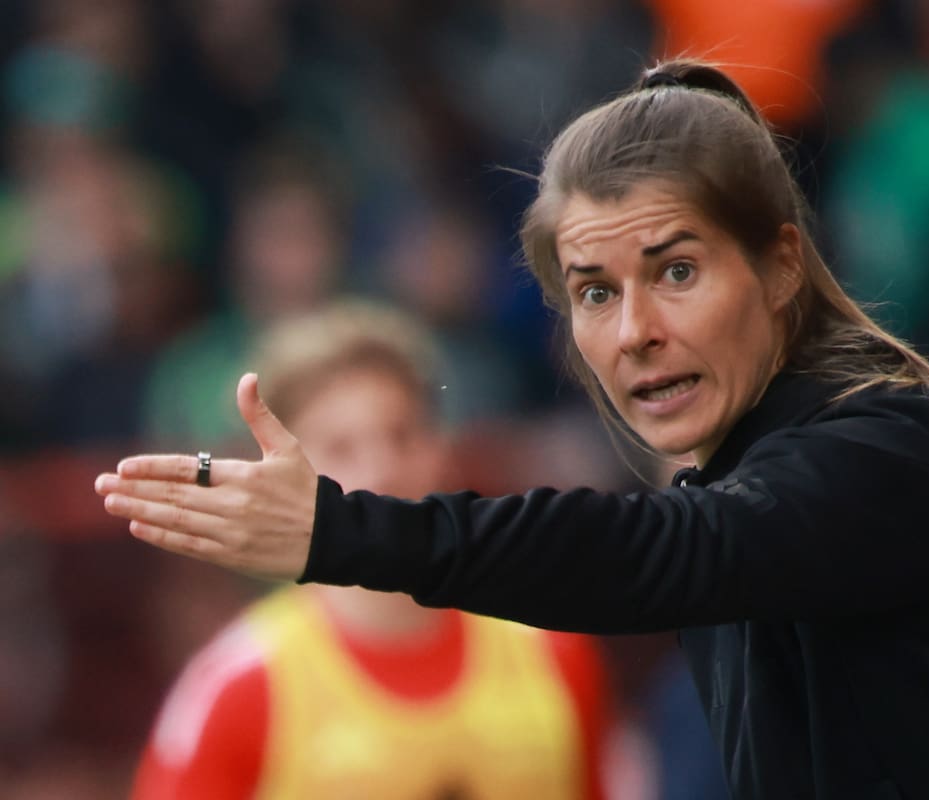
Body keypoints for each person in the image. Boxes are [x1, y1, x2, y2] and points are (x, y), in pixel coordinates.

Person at [96, 60, 929, 799]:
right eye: (595, 291)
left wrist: (342, 531)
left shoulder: (890, 452)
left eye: (678, 270)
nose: (638, 331)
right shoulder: (729, 514)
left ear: (783, 264)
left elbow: (662, 555)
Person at [129, 300, 612, 800]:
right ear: (282, 477)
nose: (383, 472)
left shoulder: (551, 650)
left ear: (443, 447)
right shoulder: (238, 685)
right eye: (341, 448)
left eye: (403, 436)